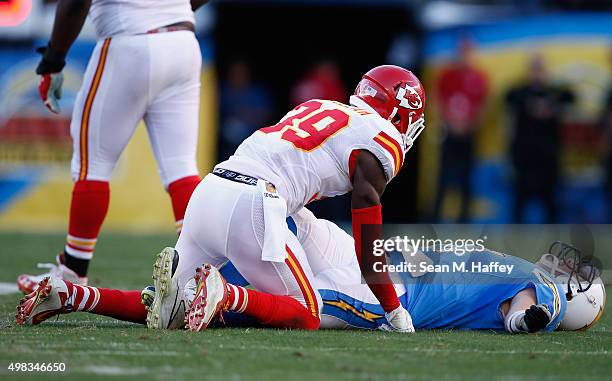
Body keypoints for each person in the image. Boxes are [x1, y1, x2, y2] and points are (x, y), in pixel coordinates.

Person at [16, 65, 427, 333]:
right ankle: (225, 293)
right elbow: (367, 239)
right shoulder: (381, 139)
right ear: (400, 112)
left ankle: (69, 295)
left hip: (211, 190)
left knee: (166, 309)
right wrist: (393, 310)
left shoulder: (323, 106)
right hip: (252, 202)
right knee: (307, 312)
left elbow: (293, 169)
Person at [17, 0, 209, 294]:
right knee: (181, 167)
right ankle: (200, 275)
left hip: (128, 42)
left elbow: (73, 4)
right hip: (182, 42)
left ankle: (72, 273)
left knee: (92, 165)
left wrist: (53, 59)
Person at [505, 54, 574, 223]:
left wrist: (550, 106)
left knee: (551, 205)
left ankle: (553, 245)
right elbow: (508, 97)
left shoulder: (554, 92)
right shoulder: (520, 92)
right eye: (534, 69)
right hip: (525, 159)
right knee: (520, 204)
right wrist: (532, 105)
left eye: (541, 69)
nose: (537, 73)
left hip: (548, 158)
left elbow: (571, 97)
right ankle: (514, 244)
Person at [434, 37, 489, 223]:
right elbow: (438, 102)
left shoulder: (479, 78)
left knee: (467, 179)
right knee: (443, 178)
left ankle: (463, 221)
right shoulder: (447, 76)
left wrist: (469, 125)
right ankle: (435, 220)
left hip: (468, 135)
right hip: (449, 133)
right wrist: (450, 123)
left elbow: (483, 106)